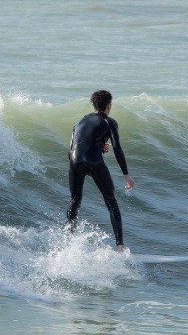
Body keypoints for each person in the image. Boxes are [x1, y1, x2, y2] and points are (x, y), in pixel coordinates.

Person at [66, 90, 134, 253]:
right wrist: (126, 175)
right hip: (94, 161)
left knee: (74, 200)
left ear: (94, 105)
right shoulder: (109, 122)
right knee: (111, 201)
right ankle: (120, 247)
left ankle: (69, 243)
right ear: (109, 106)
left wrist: (97, 148)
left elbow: (72, 148)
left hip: (75, 161)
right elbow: (117, 148)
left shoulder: (80, 121)